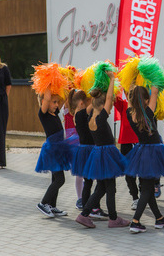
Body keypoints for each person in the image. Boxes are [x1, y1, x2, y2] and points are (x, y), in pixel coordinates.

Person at [75, 70, 130, 228]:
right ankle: (113, 219)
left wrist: (100, 82)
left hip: (99, 155)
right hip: (106, 155)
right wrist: (112, 79)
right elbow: (108, 98)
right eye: (110, 105)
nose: (111, 108)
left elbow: (103, 98)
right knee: (110, 188)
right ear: (103, 105)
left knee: (101, 188)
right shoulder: (100, 117)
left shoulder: (91, 118)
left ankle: (84, 215)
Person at [125, 85, 164, 233]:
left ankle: (159, 218)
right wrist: (153, 78)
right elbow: (155, 91)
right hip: (152, 154)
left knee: (149, 188)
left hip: (141, 152)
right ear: (145, 100)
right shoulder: (148, 112)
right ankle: (135, 221)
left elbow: (132, 98)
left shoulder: (129, 112)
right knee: (146, 189)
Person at [67, 89, 108, 220]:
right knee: (93, 181)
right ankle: (91, 207)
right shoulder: (79, 114)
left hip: (86, 150)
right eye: (87, 102)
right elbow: (94, 104)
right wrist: (98, 91)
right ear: (81, 103)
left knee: (89, 181)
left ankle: (89, 207)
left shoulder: (78, 114)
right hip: (88, 151)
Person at [35, 88, 70, 218]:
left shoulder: (55, 112)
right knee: (60, 179)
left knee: (55, 178)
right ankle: (43, 203)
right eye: (54, 102)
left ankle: (52, 206)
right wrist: (49, 82)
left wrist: (66, 80)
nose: (56, 105)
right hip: (53, 150)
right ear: (45, 102)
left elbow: (64, 97)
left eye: (57, 102)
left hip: (59, 150)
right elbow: (48, 97)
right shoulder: (43, 113)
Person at [114, 93, 140, 210]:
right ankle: (135, 198)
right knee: (129, 173)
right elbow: (113, 96)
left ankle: (146, 195)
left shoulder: (142, 104)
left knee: (143, 171)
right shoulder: (122, 103)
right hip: (126, 143)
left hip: (140, 142)